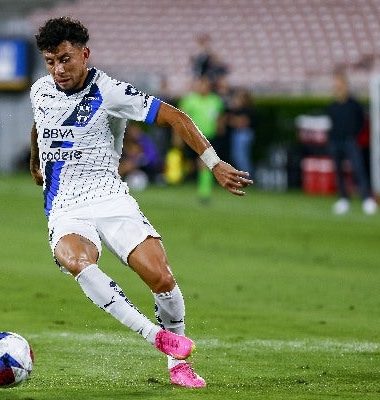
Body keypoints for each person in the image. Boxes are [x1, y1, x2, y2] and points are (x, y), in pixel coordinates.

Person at [29, 17, 252, 388]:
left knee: (161, 277)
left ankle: (178, 367)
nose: (58, 70)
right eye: (50, 62)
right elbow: (39, 124)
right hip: (65, 206)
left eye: (66, 59)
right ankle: (159, 339)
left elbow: (177, 118)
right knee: (78, 262)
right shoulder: (41, 91)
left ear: (85, 54)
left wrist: (213, 164)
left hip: (110, 198)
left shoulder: (111, 92)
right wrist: (35, 160)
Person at [327, 72, 377, 215]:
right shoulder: (333, 106)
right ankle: (343, 198)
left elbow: (361, 121)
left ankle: (367, 199)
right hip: (336, 142)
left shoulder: (354, 104)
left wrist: (353, 134)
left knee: (358, 169)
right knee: (339, 172)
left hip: (350, 141)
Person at [178, 76, 225, 203]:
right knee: (191, 165)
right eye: (201, 85)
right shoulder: (190, 100)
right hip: (191, 137)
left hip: (208, 137)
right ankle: (184, 182)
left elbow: (220, 116)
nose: (203, 88)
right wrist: (177, 136)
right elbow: (180, 119)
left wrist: (220, 128)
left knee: (204, 164)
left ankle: (204, 193)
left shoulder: (215, 101)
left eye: (206, 85)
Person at [227, 88, 255, 177]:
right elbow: (231, 121)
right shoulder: (236, 110)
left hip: (243, 134)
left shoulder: (247, 109)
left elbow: (242, 123)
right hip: (238, 134)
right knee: (237, 156)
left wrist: (235, 121)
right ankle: (244, 176)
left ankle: (247, 177)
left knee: (241, 157)